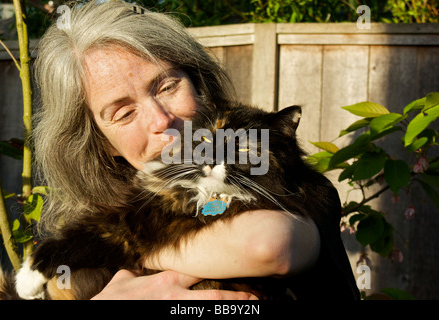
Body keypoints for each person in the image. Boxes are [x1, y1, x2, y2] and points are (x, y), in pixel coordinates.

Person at [32, 0, 359, 300]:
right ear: (101, 144)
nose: (161, 120)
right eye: (124, 113)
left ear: (201, 88)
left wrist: (113, 243)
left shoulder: (292, 185)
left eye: (168, 86)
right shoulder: (82, 236)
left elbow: (270, 245)